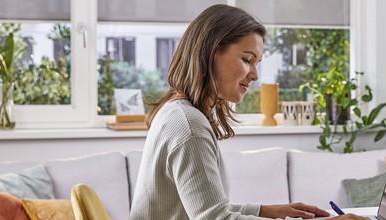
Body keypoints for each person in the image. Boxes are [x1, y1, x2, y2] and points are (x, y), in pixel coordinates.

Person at [129, 4, 365, 220]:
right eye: (246, 59)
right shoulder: (189, 126)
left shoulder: (178, 113)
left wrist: (266, 210)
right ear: (212, 51)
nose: (255, 75)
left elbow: (208, 210)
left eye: (257, 63)